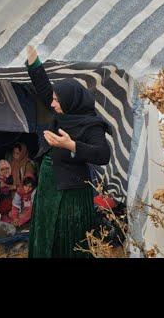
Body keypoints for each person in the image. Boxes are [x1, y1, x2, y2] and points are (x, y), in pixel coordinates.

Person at [24, 45, 111, 258]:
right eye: (53, 99)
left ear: (69, 100)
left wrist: (70, 146)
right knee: (45, 236)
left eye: (56, 100)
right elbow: (45, 90)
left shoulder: (91, 124)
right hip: (48, 189)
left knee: (65, 241)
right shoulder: (64, 110)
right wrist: (34, 61)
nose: (52, 103)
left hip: (69, 195)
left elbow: (103, 154)